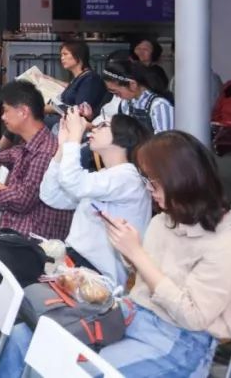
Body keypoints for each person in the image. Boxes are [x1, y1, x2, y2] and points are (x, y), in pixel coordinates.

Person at [0, 130, 231, 378]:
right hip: (131, 313)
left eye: (153, 181)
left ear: (180, 180)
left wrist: (137, 254)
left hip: (178, 341)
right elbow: (147, 275)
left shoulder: (224, 241)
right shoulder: (166, 219)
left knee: (68, 368)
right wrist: (128, 251)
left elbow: (193, 317)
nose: (149, 189)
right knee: (24, 337)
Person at [39, 110, 153, 285]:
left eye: (103, 125)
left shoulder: (128, 177)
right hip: (75, 265)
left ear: (123, 138)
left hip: (97, 277)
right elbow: (50, 195)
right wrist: (63, 147)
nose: (94, 129)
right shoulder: (106, 176)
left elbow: (72, 181)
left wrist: (75, 137)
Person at [0, 80, 72, 241]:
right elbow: (11, 154)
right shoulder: (33, 141)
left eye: (6, 111)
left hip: (27, 234)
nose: (2, 117)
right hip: (11, 221)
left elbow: (22, 201)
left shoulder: (45, 152)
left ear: (23, 112)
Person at [99, 58, 174, 134]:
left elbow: (165, 139)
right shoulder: (125, 104)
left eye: (117, 92)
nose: (116, 96)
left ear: (132, 85)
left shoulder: (159, 106)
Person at [50, 40, 106, 119]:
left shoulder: (90, 79)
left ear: (78, 55)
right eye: (61, 55)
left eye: (65, 54)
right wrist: (51, 80)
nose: (62, 58)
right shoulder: (79, 78)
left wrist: (51, 108)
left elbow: (81, 110)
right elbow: (72, 88)